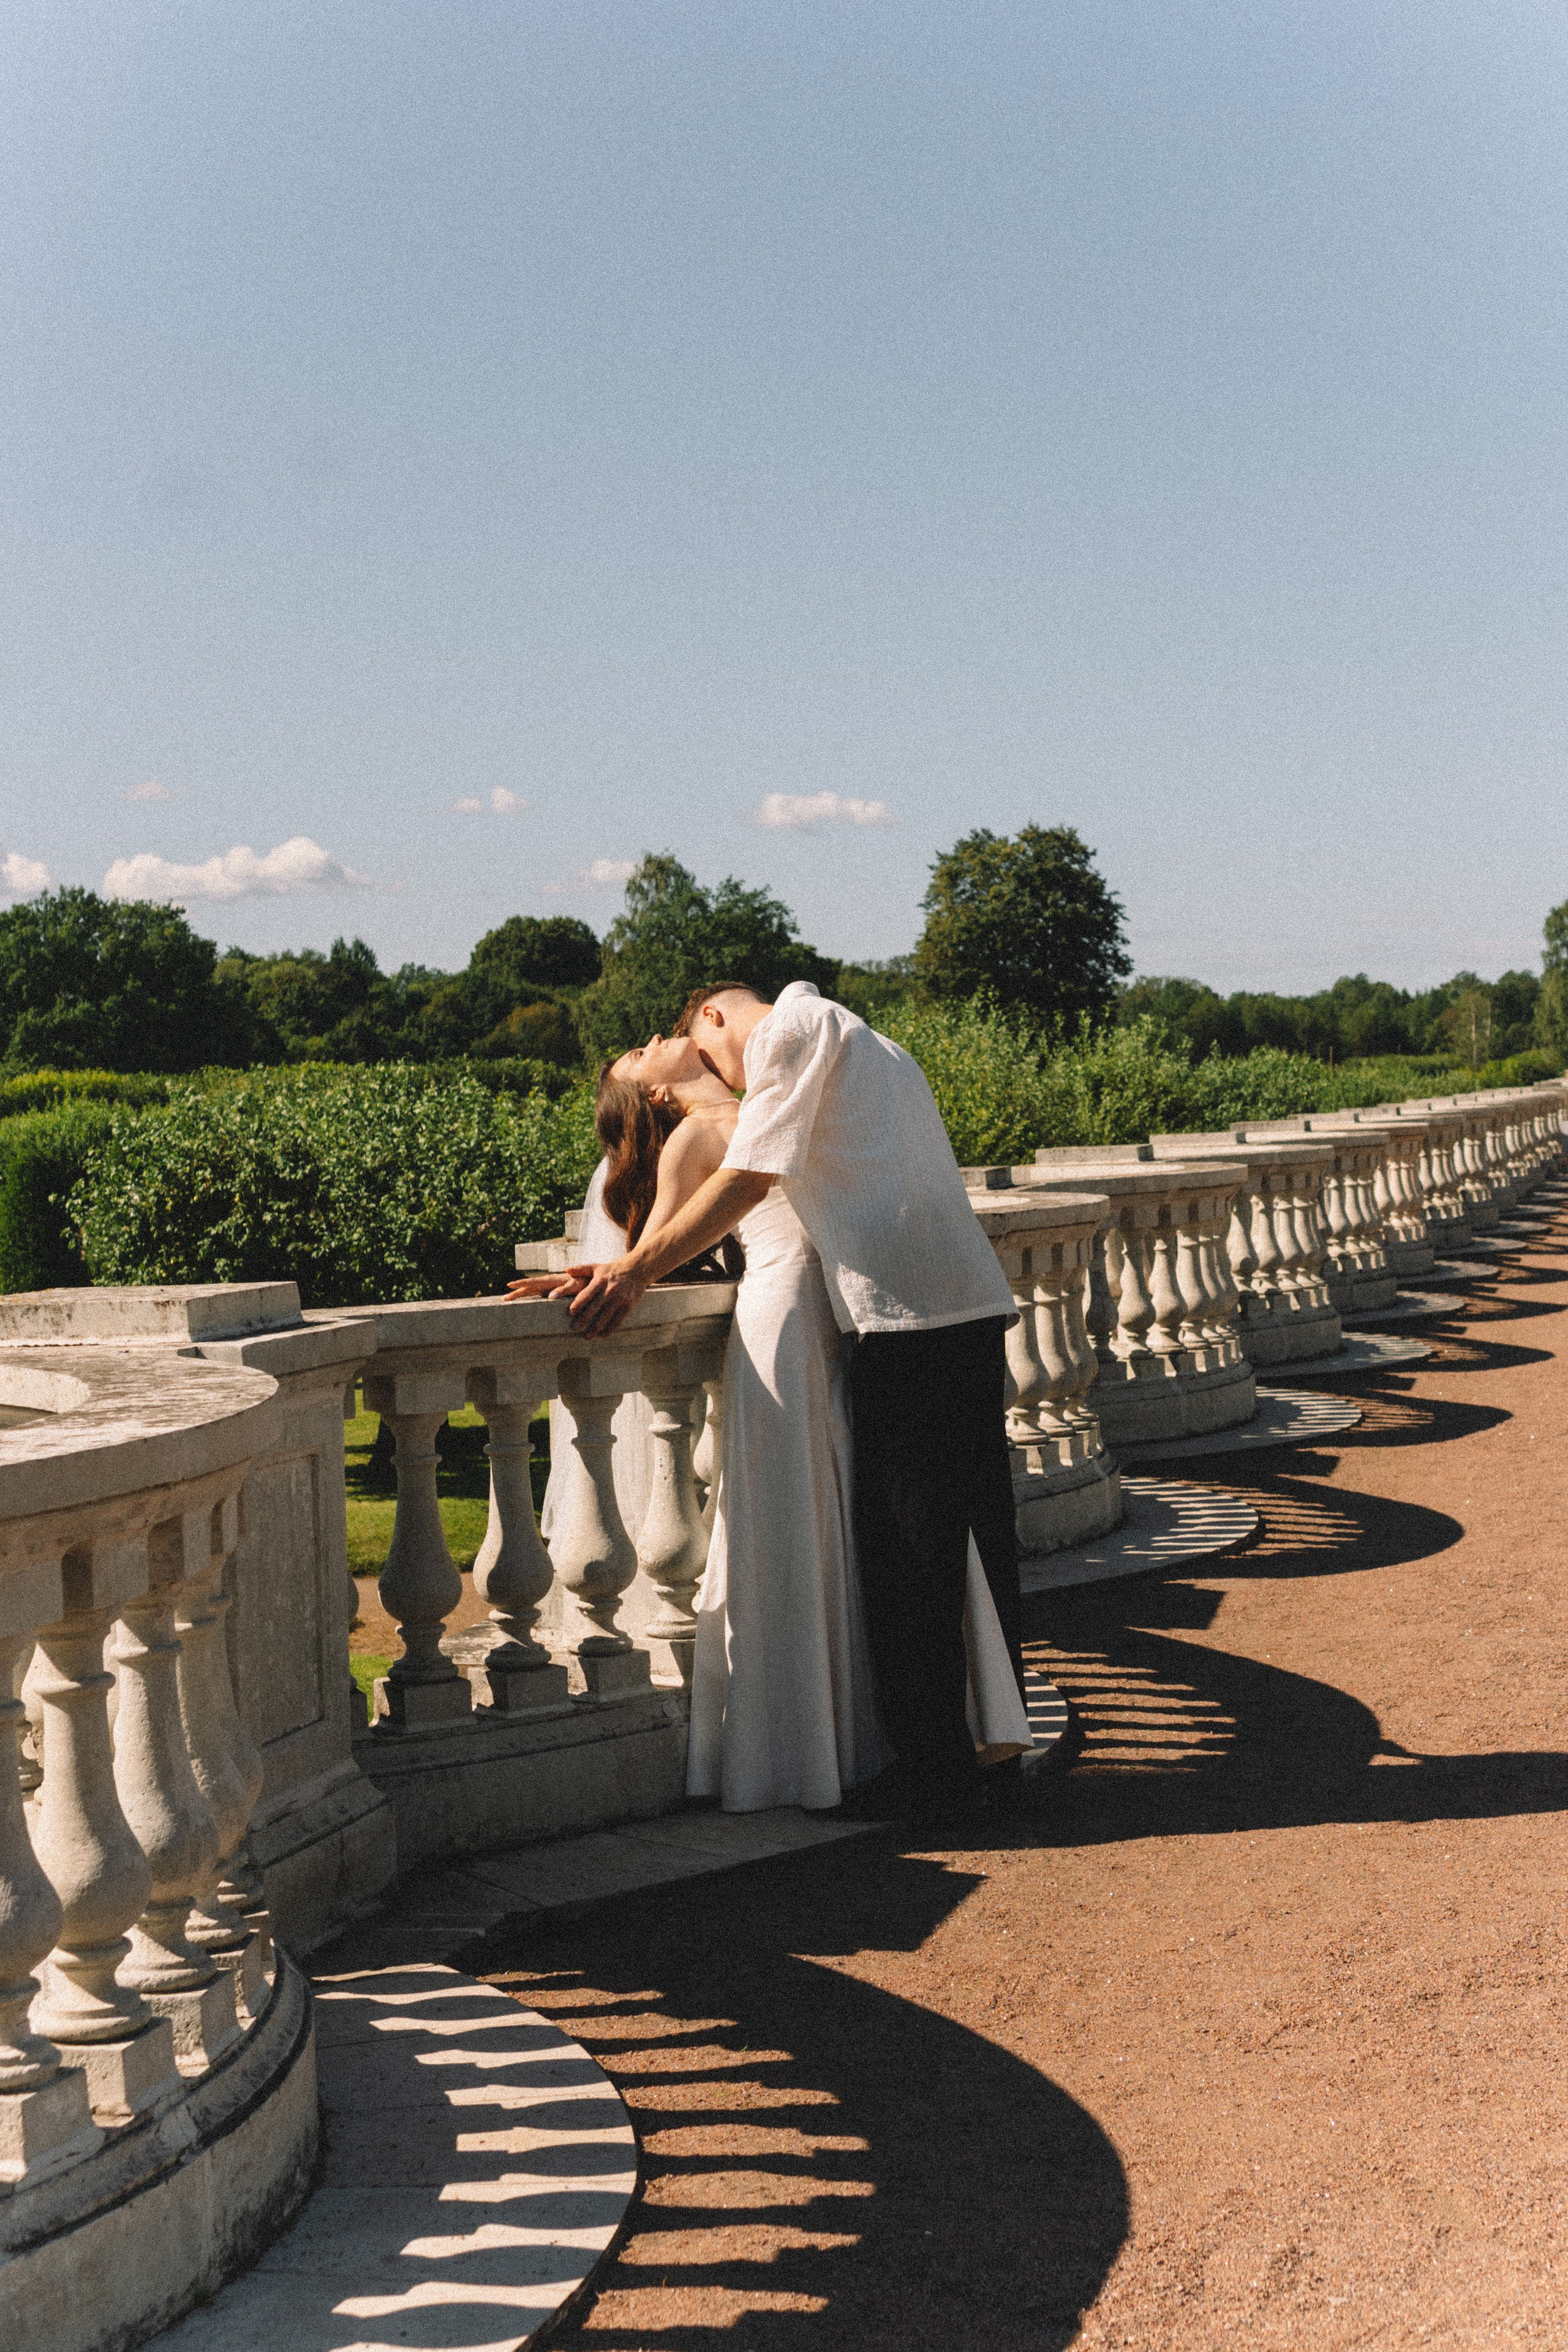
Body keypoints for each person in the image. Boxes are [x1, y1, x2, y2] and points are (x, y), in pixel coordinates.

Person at [548, 980, 1027, 1823]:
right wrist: (630, 1261)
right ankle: (962, 1749)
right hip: (949, 1307)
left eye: (698, 1037)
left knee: (911, 1552)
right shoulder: (853, 1038)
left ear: (716, 1019)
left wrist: (632, 1270)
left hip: (907, 1319)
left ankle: (935, 1775)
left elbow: (753, 1173)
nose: (720, 1063)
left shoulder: (792, 1034)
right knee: (956, 1540)